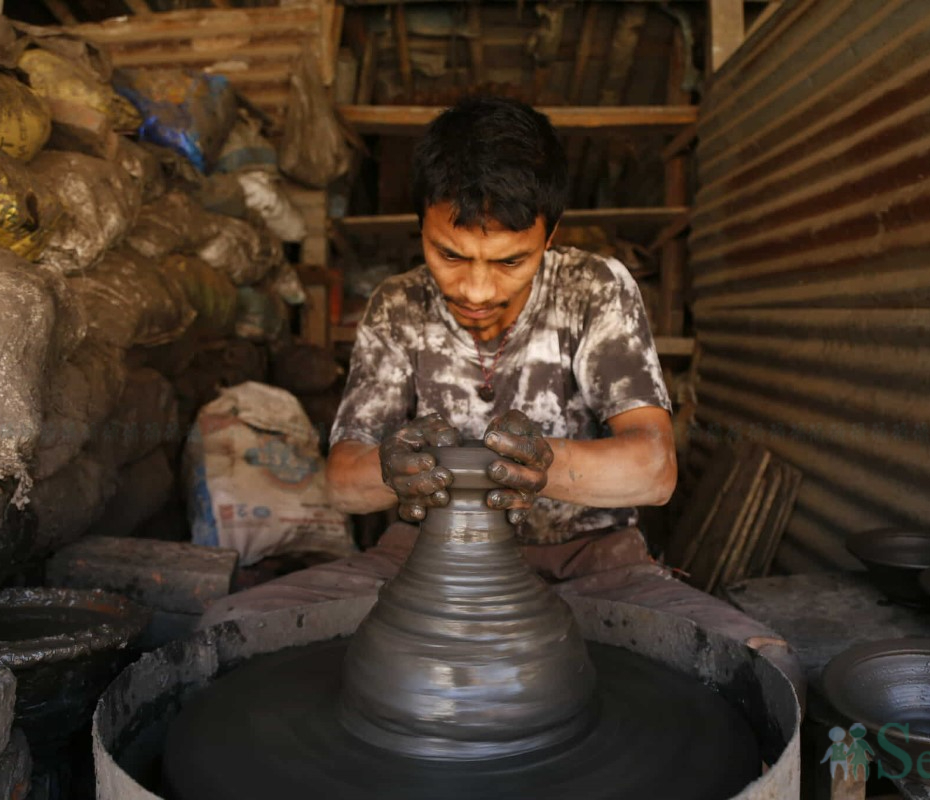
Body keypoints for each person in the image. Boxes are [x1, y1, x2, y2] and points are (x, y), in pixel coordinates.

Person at [199, 96, 802, 702]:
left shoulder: (592, 288)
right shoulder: (396, 306)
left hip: (591, 562)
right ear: (420, 228)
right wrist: (393, 467)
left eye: (511, 260)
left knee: (765, 669)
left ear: (550, 235)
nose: (478, 289)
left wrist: (538, 466)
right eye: (450, 255)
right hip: (418, 558)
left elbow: (654, 470)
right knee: (222, 635)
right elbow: (344, 484)